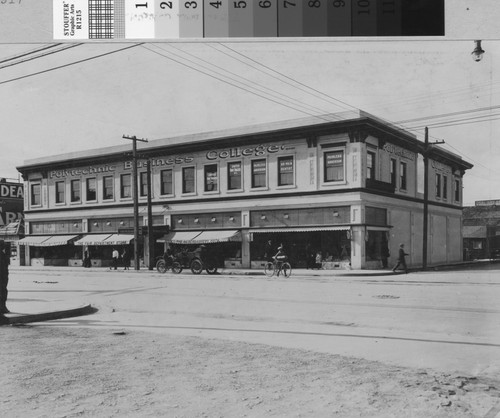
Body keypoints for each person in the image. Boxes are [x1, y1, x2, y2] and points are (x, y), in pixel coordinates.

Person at [0, 240, 10, 314]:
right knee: (2, 292)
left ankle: (3, 307)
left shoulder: (3, 254)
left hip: (4, 276)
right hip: (2, 276)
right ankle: (2, 307)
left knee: (3, 292)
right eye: (3, 245)